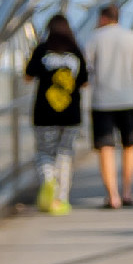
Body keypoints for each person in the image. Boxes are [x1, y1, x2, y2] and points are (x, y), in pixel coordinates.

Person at [86, 3, 133, 208]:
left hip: (101, 102)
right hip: (128, 100)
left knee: (105, 147)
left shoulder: (94, 38)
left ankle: (112, 195)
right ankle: (127, 191)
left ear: (103, 18)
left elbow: (85, 70)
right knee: (129, 145)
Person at [24, 14, 86, 216]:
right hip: (71, 115)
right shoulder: (76, 51)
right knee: (65, 155)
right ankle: (62, 198)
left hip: (44, 114)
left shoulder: (42, 50)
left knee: (44, 153)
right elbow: (85, 81)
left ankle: (49, 180)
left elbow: (28, 76)